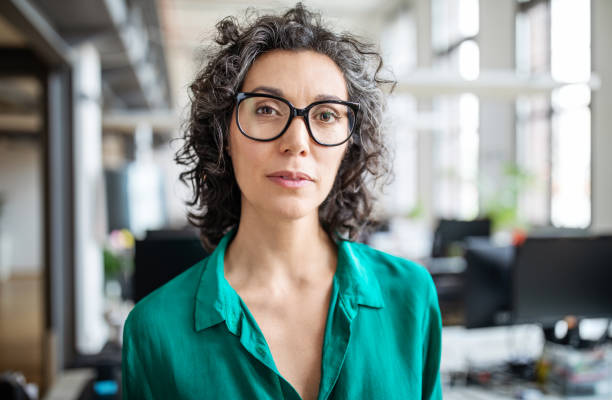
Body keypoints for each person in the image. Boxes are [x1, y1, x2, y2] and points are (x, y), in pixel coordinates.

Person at [122, 3, 442, 399]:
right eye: (267, 109)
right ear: (224, 137)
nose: (296, 142)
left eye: (326, 115)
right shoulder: (155, 330)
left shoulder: (410, 297)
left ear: (349, 146)